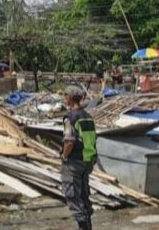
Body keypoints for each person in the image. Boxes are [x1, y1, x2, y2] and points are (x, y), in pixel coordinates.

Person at [61, 85, 98, 230]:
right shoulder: (88, 117)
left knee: (73, 197)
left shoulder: (71, 118)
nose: (65, 99)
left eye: (65, 96)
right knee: (83, 196)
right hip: (87, 162)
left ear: (70, 98)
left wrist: (64, 156)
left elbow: (69, 141)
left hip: (74, 161)